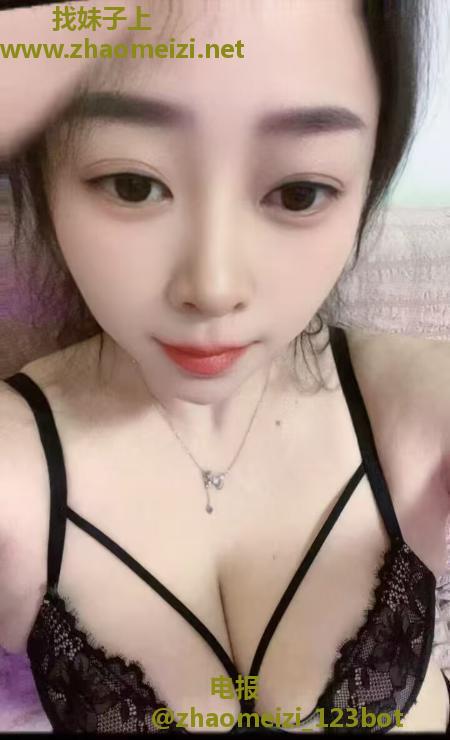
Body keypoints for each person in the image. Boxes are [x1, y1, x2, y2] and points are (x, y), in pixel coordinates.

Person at [0, 0, 449, 733]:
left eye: (299, 192)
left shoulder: (411, 405)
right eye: (132, 184)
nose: (212, 288)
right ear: (41, 168)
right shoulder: (16, 468)